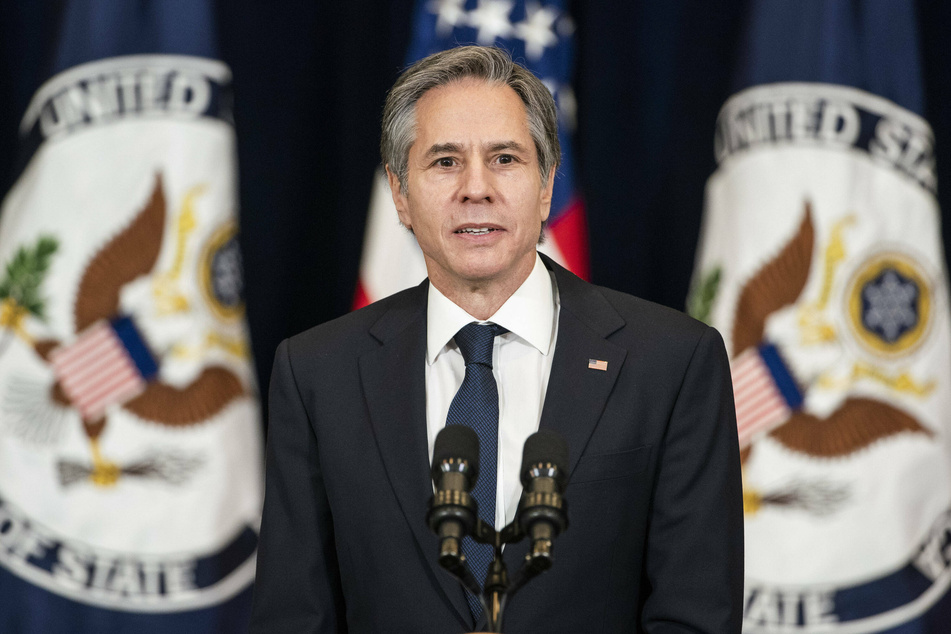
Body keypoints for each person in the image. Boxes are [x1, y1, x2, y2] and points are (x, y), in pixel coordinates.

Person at [250, 45, 743, 634]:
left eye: (505, 158)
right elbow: (294, 617)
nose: (475, 188)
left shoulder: (672, 362)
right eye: (444, 162)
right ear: (400, 195)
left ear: (546, 187)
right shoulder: (317, 373)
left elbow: (695, 617)